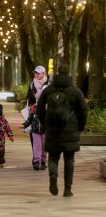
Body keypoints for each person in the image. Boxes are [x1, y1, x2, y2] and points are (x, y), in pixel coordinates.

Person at [37, 64, 87, 197]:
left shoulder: (49, 90)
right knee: (69, 159)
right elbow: (83, 110)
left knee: (53, 156)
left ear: (57, 73)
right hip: (70, 130)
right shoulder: (75, 91)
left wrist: (45, 124)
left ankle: (53, 176)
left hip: (53, 130)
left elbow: (39, 108)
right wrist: (80, 126)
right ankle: (67, 189)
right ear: (69, 72)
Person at [25, 65, 49, 167]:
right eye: (35, 73)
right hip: (34, 114)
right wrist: (33, 101)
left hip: (46, 114)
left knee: (44, 140)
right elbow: (28, 98)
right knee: (34, 138)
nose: (36, 74)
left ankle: (43, 160)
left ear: (44, 73)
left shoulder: (49, 84)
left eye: (38, 73)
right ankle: (36, 158)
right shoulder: (32, 85)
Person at [22, 91, 47, 171]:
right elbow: (30, 118)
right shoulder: (33, 107)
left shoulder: (47, 108)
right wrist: (24, 125)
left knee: (44, 146)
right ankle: (36, 161)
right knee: (36, 146)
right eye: (37, 99)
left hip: (44, 130)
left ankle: (43, 161)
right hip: (35, 131)